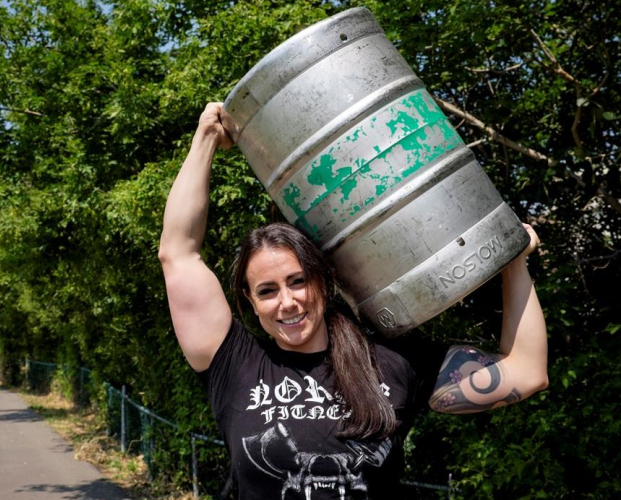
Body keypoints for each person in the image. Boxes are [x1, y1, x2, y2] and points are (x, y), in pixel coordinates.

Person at [158, 103, 548, 500]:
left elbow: (527, 372)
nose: (288, 302)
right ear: (250, 300)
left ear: (324, 285)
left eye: (298, 281)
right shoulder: (235, 366)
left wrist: (513, 261)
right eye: (268, 290)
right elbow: (177, 253)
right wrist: (205, 139)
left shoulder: (392, 363)